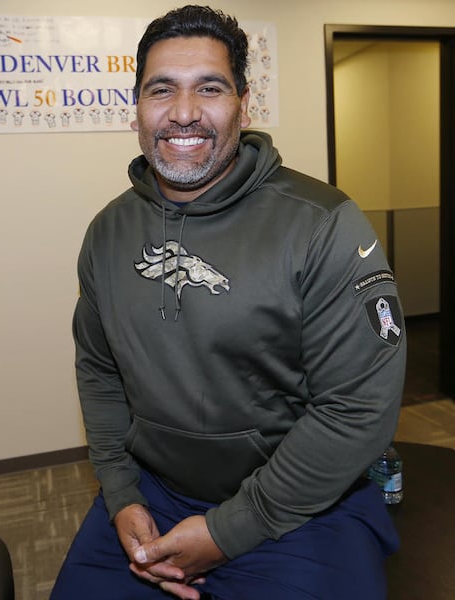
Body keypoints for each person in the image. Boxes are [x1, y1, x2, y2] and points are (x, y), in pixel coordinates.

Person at [51, 5, 406, 600]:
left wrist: (228, 530)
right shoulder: (107, 233)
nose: (183, 112)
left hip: (298, 503)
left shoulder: (322, 225)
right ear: (136, 107)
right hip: (155, 492)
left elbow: (356, 409)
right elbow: (99, 370)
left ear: (244, 101)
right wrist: (121, 495)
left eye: (209, 88)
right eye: (161, 89)